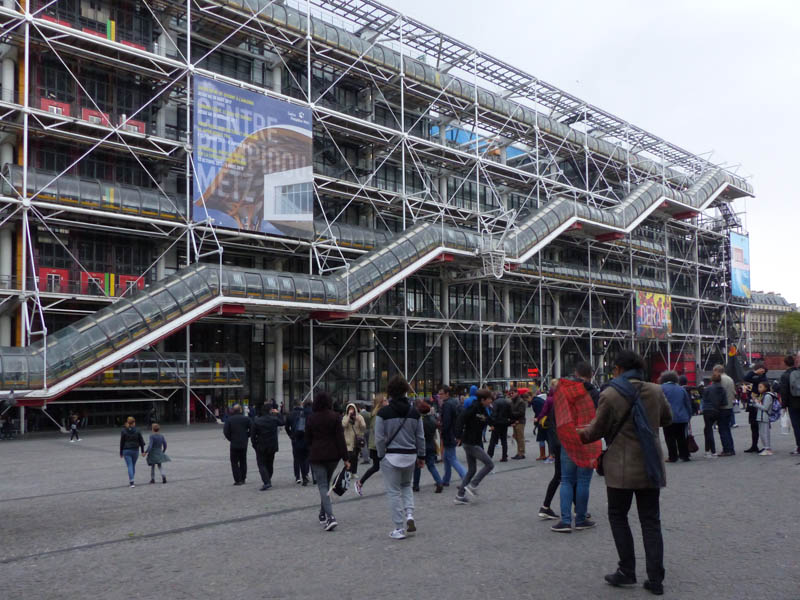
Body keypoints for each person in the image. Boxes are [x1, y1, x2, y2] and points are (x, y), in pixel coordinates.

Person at [578, 350, 672, 596]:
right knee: (651, 521)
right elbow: (667, 419)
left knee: (618, 516)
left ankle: (627, 570)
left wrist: (577, 433)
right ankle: (655, 579)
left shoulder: (610, 393)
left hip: (620, 468)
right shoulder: (655, 390)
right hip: (650, 466)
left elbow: (596, 431)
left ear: (618, 369)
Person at [374, 375, 425, 539]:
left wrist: (381, 455)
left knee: (393, 491)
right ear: (405, 391)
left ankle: (398, 527)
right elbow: (420, 437)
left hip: (391, 456)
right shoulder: (415, 413)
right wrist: (421, 455)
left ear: (390, 392)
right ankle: (410, 514)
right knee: (406, 486)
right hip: (410, 455)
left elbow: (379, 438)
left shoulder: (383, 413)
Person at [305, 391, 349, 531]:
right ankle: (322, 514)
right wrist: (346, 458)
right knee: (327, 485)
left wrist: (311, 449)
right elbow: (340, 439)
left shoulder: (311, 418)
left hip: (317, 456)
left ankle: (330, 517)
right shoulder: (335, 417)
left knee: (323, 486)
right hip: (333, 456)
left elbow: (307, 439)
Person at [454, 389, 495, 505]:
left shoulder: (484, 409)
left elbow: (489, 420)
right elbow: (460, 419)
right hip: (470, 442)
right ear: (483, 400)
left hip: (474, 442)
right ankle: (473, 485)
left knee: (472, 470)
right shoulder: (473, 408)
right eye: (489, 399)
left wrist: (497, 421)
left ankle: (459, 496)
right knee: (489, 464)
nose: (491, 401)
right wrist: (458, 435)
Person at [354, 395, 388, 496]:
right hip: (376, 445)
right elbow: (377, 431)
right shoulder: (378, 415)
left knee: (378, 466)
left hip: (377, 445)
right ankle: (359, 483)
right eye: (385, 400)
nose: (388, 402)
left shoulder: (379, 414)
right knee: (381, 466)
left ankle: (360, 483)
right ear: (381, 403)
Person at [659, 370, 693, 462]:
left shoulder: (661, 388)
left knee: (670, 438)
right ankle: (684, 455)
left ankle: (673, 456)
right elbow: (687, 404)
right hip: (682, 418)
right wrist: (689, 416)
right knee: (682, 437)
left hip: (668, 418)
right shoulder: (681, 389)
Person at [251, 403, 285, 490]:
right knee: (270, 463)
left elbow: (253, 435)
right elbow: (282, 422)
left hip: (261, 445)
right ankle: (268, 479)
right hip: (272, 445)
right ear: (270, 410)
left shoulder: (257, 420)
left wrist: (255, 445)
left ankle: (266, 481)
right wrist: (278, 413)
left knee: (261, 464)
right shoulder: (274, 419)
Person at [413, 402, 444, 493]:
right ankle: (439, 482)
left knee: (417, 466)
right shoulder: (433, 420)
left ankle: (416, 485)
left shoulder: (419, 421)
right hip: (431, 444)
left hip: (421, 445)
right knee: (431, 465)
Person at [439, 385, 467, 487]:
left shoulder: (446, 405)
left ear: (447, 393)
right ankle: (446, 479)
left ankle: (465, 477)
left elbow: (446, 422)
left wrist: (443, 431)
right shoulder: (455, 402)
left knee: (452, 458)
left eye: (441, 393)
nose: (439, 395)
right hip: (454, 433)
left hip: (449, 434)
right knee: (447, 458)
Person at [223, 404, 251, 485]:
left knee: (234, 462)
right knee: (243, 461)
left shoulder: (229, 420)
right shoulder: (246, 419)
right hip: (243, 443)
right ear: (240, 410)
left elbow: (226, 432)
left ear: (233, 411)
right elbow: (252, 428)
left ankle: (237, 479)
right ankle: (243, 478)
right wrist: (247, 435)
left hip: (234, 443)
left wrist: (230, 438)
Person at [285, 399, 312, 485]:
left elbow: (286, 427)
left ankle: (297, 476)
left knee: (296, 458)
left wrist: (290, 435)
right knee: (306, 457)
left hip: (295, 438)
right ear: (300, 404)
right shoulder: (305, 413)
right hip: (306, 437)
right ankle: (306, 474)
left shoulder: (290, 414)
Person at [743, 362, 768, 453]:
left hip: (758, 405)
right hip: (754, 404)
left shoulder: (762, 378)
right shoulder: (758, 378)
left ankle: (765, 446)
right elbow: (746, 378)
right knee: (753, 426)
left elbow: (746, 378)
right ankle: (754, 445)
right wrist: (755, 372)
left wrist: (755, 372)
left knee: (758, 426)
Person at [779, 353, 800, 455]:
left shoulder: (785, 375)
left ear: (785, 363)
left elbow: (784, 391)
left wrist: (783, 406)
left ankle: (799, 447)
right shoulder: (798, 372)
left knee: (796, 426)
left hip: (793, 404)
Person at [701, 372, 725, 458]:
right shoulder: (722, 389)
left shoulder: (708, 388)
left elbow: (704, 399)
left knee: (708, 430)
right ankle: (709, 450)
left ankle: (711, 451)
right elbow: (724, 402)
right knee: (708, 429)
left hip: (708, 410)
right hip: (717, 410)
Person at [714, 365, 736, 456]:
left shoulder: (721, 379)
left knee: (723, 429)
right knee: (727, 428)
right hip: (729, 406)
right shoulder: (730, 379)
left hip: (723, 407)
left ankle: (727, 449)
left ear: (716, 371)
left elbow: (719, 393)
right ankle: (730, 448)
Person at [750, 381, 776, 456]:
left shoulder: (767, 396)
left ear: (766, 387)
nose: (759, 388)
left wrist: (755, 403)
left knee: (765, 433)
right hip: (761, 416)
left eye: (760, 387)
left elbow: (765, 408)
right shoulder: (763, 395)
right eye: (758, 387)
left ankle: (767, 448)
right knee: (762, 433)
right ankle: (766, 448)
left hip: (764, 417)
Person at [119, 416, 146, 488]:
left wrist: (121, 452)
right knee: (133, 465)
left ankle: (132, 481)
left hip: (126, 450)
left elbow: (122, 442)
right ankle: (132, 480)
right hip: (135, 450)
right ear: (133, 423)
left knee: (129, 466)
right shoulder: (138, 430)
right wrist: (143, 451)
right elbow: (141, 441)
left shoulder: (124, 431)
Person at [341, 403, 366, 476]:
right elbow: (343, 425)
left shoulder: (359, 417)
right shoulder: (345, 417)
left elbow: (364, 427)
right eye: (350, 408)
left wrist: (358, 420)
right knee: (349, 457)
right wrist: (349, 416)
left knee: (355, 458)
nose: (351, 410)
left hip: (356, 441)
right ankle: (348, 471)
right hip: (348, 441)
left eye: (352, 408)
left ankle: (354, 472)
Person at [488, 389, 511, 462]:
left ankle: (489, 456)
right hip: (505, 423)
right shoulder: (507, 402)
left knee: (493, 441)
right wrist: (510, 422)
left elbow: (494, 414)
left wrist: (491, 423)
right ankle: (504, 457)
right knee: (504, 441)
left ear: (496, 396)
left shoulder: (495, 402)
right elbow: (510, 414)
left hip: (497, 424)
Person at [510, 387, 527, 459]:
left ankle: (521, 453)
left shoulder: (521, 401)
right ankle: (518, 452)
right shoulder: (512, 401)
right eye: (510, 393)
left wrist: (511, 414)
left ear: (517, 393)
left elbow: (521, 413)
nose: (511, 394)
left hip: (520, 421)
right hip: (515, 421)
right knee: (516, 437)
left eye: (512, 393)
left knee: (520, 438)